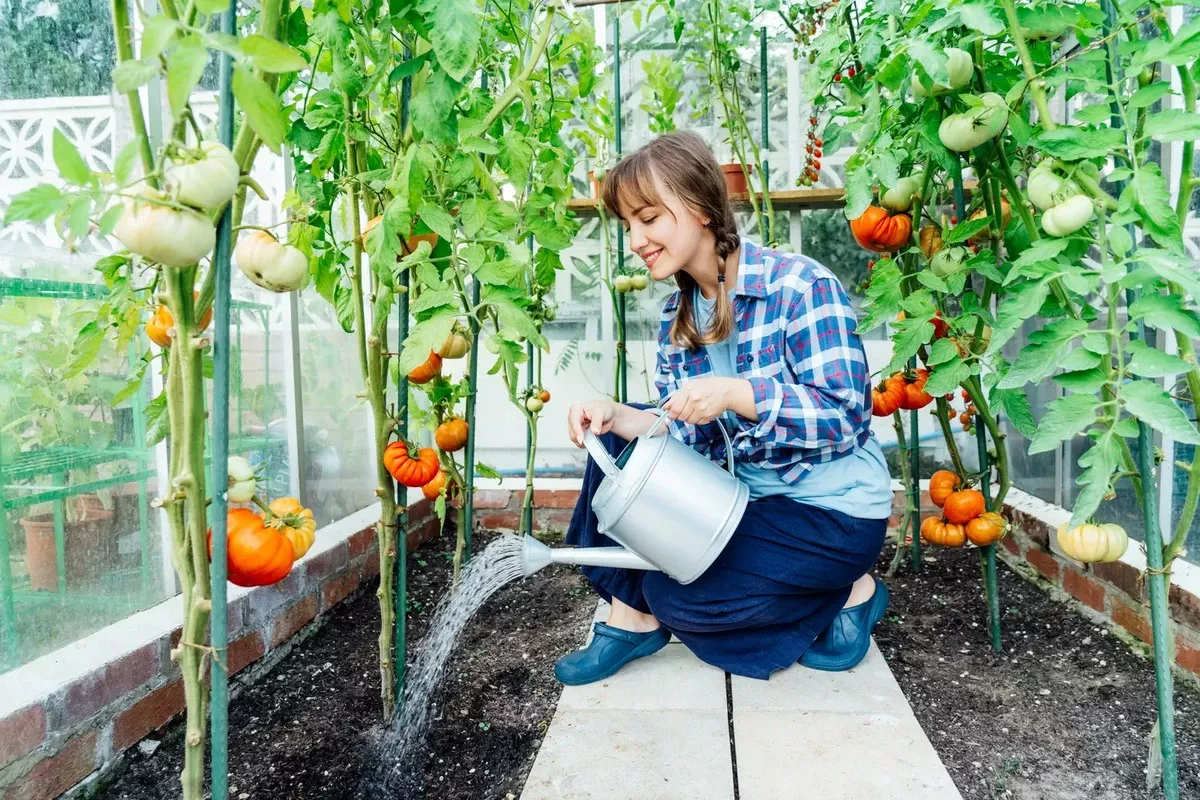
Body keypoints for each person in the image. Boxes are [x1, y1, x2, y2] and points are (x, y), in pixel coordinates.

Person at [555, 130, 894, 685]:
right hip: (745, 502)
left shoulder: (802, 287)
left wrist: (741, 393)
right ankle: (631, 617)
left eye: (649, 218)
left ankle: (850, 590)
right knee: (615, 439)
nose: (636, 239)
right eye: (628, 225)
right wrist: (621, 416)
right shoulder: (678, 315)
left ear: (701, 207)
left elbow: (846, 417)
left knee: (683, 599)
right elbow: (689, 439)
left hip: (831, 513)